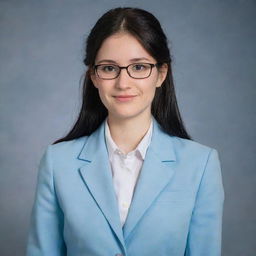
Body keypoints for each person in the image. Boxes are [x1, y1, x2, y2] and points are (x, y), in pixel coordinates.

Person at [26, 7, 224, 256]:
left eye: (139, 67)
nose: (123, 83)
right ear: (93, 76)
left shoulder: (200, 164)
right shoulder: (57, 163)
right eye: (109, 68)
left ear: (161, 73)